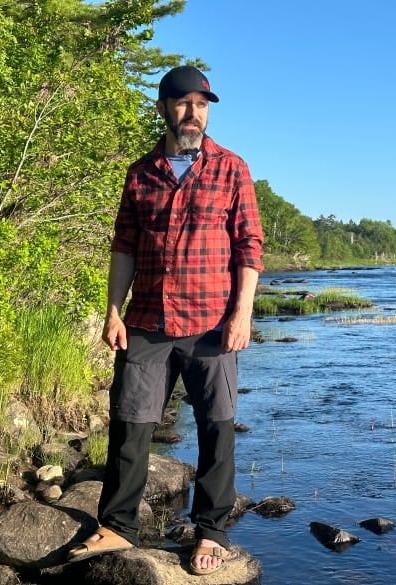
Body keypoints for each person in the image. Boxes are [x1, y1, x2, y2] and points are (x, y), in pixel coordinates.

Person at [67, 65, 264, 576]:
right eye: (182, 103)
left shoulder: (232, 169)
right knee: (131, 421)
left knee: (216, 426)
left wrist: (243, 313)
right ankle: (116, 524)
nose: (193, 112)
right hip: (147, 321)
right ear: (163, 109)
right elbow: (123, 248)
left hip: (213, 323)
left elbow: (249, 246)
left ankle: (211, 529)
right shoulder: (140, 173)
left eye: (201, 104)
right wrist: (113, 311)